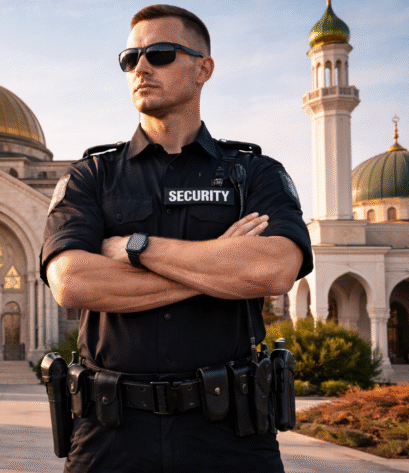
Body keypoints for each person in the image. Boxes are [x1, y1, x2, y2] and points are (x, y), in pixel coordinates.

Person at [40, 4, 313, 472]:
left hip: (231, 433)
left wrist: (132, 248)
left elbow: (273, 270)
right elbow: (72, 283)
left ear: (203, 68)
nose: (141, 67)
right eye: (130, 58)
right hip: (111, 436)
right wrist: (222, 265)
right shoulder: (92, 177)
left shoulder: (253, 174)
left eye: (160, 53)